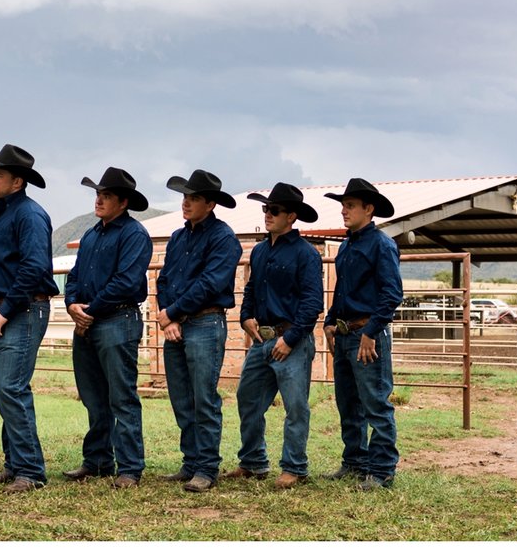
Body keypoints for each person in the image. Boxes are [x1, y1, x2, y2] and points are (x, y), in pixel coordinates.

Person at [0, 145, 58, 492]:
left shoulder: (30, 215)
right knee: (0, 389)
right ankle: (15, 462)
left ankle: (31, 471)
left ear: (17, 181)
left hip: (21, 309)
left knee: (11, 386)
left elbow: (34, 267)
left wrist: (4, 310)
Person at [64, 167, 154, 488]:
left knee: (122, 396)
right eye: (97, 194)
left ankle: (130, 467)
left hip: (117, 320)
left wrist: (89, 309)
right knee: (93, 396)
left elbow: (126, 283)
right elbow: (74, 276)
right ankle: (98, 460)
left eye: (106, 196)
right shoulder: (92, 234)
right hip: (90, 321)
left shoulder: (134, 235)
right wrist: (72, 304)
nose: (99, 200)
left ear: (123, 201)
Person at [229, 182, 323, 490]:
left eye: (275, 210)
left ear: (291, 216)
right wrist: (245, 317)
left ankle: (295, 466)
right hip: (263, 339)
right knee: (247, 398)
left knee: (295, 406)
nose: (268, 214)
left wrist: (291, 338)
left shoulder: (306, 254)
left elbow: (313, 303)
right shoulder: (259, 250)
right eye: (266, 209)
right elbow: (252, 288)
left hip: (289, 340)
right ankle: (253, 461)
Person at [156, 169, 241, 492]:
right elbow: (164, 280)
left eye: (193, 198)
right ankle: (191, 461)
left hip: (205, 322)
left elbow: (211, 284)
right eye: (184, 197)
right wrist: (170, 317)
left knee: (203, 396)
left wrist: (172, 313)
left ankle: (206, 467)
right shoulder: (179, 237)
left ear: (210, 203)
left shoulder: (223, 238)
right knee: (181, 396)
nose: (186, 203)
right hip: (179, 324)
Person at [324, 178, 403, 491]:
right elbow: (342, 290)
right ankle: (355, 461)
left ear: (368, 209)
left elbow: (392, 293)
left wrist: (371, 331)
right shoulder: (347, 245)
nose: (344, 211)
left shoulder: (382, 245)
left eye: (351, 206)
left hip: (366, 334)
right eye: (343, 205)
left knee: (375, 402)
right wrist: (330, 321)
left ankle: (382, 470)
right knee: (348, 402)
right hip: (345, 333)